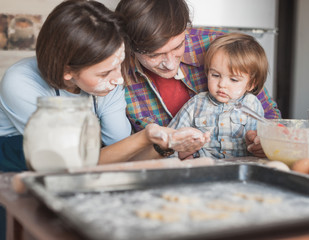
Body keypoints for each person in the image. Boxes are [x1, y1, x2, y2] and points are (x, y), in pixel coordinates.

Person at [0, 0, 209, 172]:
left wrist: (165, 144)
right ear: (68, 71)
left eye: (119, 65)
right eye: (104, 73)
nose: (119, 79)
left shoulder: (108, 84)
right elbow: (68, 167)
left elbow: (121, 159)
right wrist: (144, 137)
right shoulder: (20, 83)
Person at [115, 0, 281, 158]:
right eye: (154, 55)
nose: (170, 64)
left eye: (177, 46)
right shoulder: (114, 71)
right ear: (129, 46)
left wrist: (266, 143)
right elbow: (120, 151)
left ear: (186, 29)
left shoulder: (220, 46)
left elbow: (270, 115)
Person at [168, 33, 267, 159]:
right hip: (204, 167)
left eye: (234, 79)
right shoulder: (196, 104)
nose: (222, 84)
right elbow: (171, 139)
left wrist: (257, 144)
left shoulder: (251, 104)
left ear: (251, 84)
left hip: (239, 167)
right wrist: (181, 154)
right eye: (215, 75)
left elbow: (260, 146)